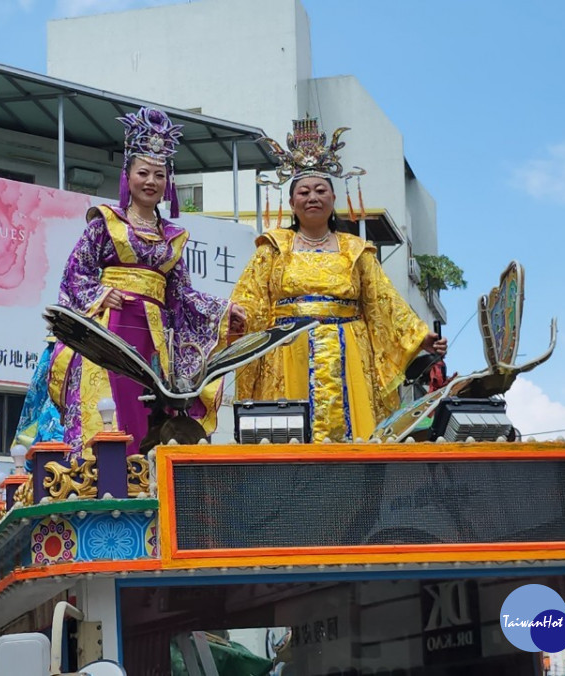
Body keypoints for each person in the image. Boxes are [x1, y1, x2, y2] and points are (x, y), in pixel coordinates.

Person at [46, 107, 246, 456]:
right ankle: (99, 475)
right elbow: (75, 274)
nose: (151, 182)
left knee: (148, 411)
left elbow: (182, 296)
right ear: (127, 177)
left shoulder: (173, 238)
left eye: (159, 175)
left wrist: (223, 311)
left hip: (153, 338)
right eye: (143, 173)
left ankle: (146, 476)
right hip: (109, 331)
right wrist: (99, 294)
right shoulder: (104, 225)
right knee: (107, 404)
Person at [231, 118, 446, 442]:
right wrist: (236, 319)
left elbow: (383, 301)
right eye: (304, 192)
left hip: (349, 356)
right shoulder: (273, 247)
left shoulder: (355, 250)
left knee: (353, 438)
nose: (312, 197)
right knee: (289, 436)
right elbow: (251, 298)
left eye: (320, 190)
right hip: (288, 350)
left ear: (333, 199)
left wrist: (417, 336)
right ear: (292, 203)